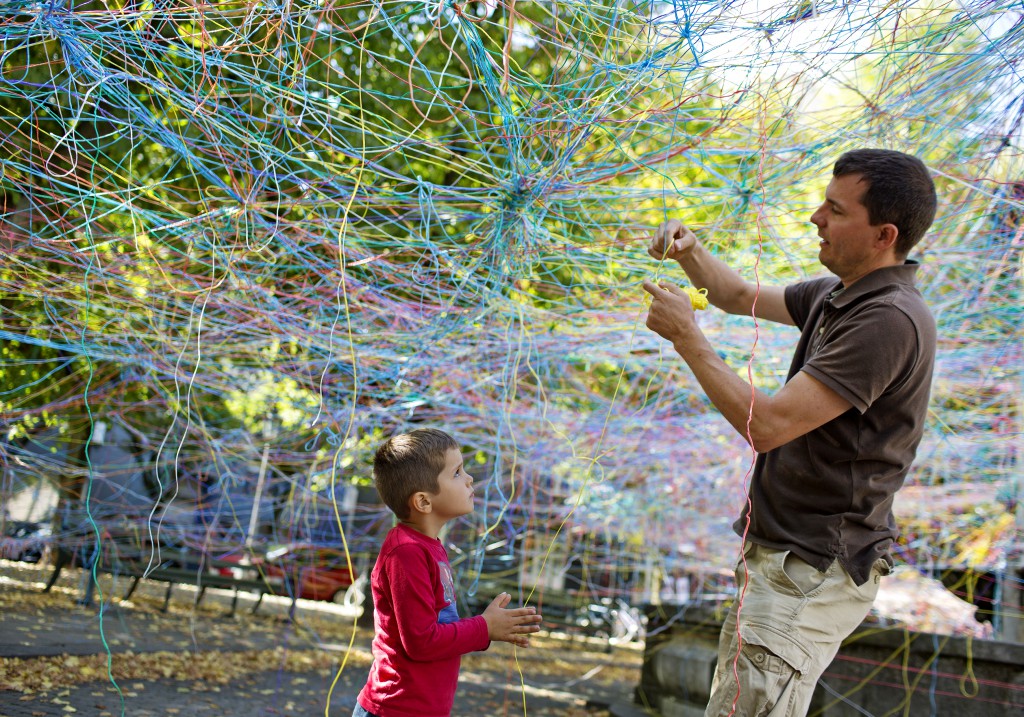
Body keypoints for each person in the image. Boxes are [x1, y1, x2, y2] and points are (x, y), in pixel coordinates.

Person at [642, 148, 938, 716]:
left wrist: (687, 338)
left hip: (811, 570)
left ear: (884, 235)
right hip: (783, 562)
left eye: (834, 209)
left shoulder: (888, 319)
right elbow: (734, 297)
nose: (815, 218)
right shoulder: (840, 294)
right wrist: (692, 251)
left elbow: (770, 426)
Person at [353, 428, 542, 717]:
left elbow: (437, 626)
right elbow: (421, 643)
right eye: (456, 473)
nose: (469, 478)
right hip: (394, 709)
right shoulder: (406, 552)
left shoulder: (429, 547)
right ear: (424, 502)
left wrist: (487, 627)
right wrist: (485, 627)